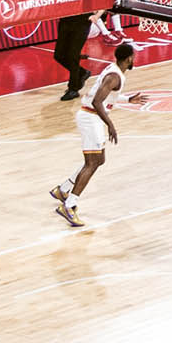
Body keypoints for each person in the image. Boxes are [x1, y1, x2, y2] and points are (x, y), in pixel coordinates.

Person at [52, 49, 123, 224]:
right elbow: (97, 102)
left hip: (91, 116)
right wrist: (111, 125)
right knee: (92, 163)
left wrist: (129, 100)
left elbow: (104, 97)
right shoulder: (114, 76)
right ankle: (69, 206)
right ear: (129, 59)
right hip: (91, 117)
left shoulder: (113, 70)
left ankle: (64, 189)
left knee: (98, 160)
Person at [53, 0, 101, 102]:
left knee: (73, 56)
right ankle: (82, 72)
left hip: (82, 22)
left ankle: (73, 88)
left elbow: (105, 0)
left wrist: (97, 16)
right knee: (59, 55)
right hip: (66, 20)